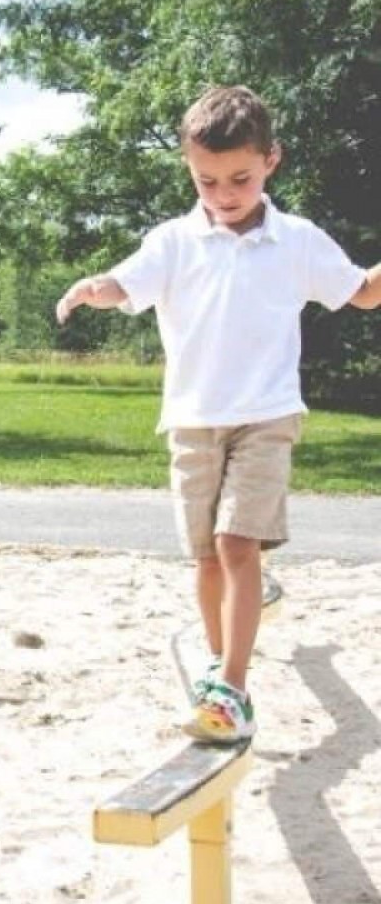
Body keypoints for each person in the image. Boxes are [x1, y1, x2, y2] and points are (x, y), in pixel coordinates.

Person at [55, 85, 380, 743]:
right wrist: (96, 288)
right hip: (192, 420)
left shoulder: (296, 241)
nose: (225, 192)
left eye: (240, 177)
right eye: (207, 180)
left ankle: (233, 688)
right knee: (209, 559)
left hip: (267, 416)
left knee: (237, 544)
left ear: (271, 162)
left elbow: (364, 294)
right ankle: (218, 665)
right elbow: (130, 283)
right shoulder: (174, 241)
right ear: (188, 167)